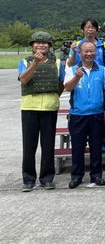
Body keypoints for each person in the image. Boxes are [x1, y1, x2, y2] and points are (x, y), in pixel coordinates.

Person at [18, 32, 64, 191]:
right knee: (29, 145)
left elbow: (61, 84)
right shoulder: (24, 61)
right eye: (37, 43)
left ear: (50, 46)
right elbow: (24, 79)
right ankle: (28, 179)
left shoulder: (58, 62)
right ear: (32, 45)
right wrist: (35, 63)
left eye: (45, 43)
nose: (41, 45)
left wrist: (54, 97)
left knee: (48, 144)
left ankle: (47, 178)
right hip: (30, 107)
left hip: (50, 108)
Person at [63, 41, 105, 188]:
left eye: (91, 51)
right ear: (79, 52)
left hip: (97, 114)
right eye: (85, 51)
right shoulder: (72, 69)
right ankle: (77, 176)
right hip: (78, 115)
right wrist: (77, 77)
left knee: (97, 147)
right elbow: (67, 88)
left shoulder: (102, 70)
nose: (89, 54)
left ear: (95, 52)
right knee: (77, 147)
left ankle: (96, 175)